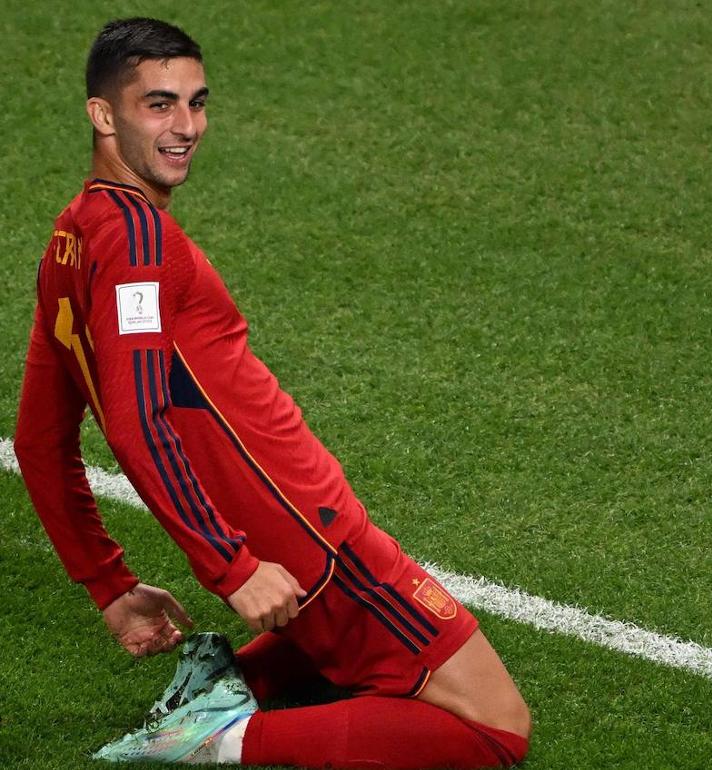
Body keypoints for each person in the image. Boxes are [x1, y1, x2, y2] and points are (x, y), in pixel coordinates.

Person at [13, 17, 530, 768]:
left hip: (288, 529)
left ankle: (225, 681)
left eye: (196, 103)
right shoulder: (139, 245)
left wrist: (108, 583)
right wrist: (233, 566)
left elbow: (38, 441)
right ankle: (217, 741)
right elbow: (134, 421)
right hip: (305, 533)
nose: (186, 126)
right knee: (494, 725)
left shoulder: (72, 238)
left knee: (371, 644)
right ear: (103, 115)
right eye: (158, 105)